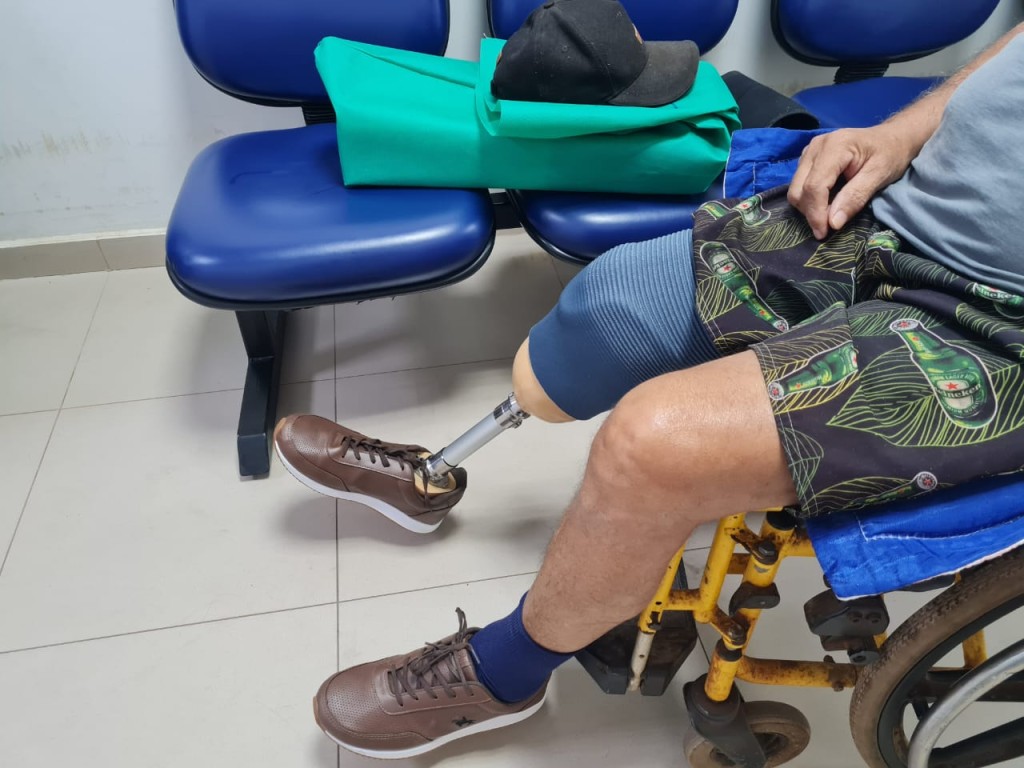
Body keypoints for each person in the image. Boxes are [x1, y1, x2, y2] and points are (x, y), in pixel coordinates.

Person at [274, 24, 1024, 760]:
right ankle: (436, 475)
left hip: (998, 327)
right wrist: (899, 134)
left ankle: (507, 676)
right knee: (604, 309)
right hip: (899, 212)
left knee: (650, 448)